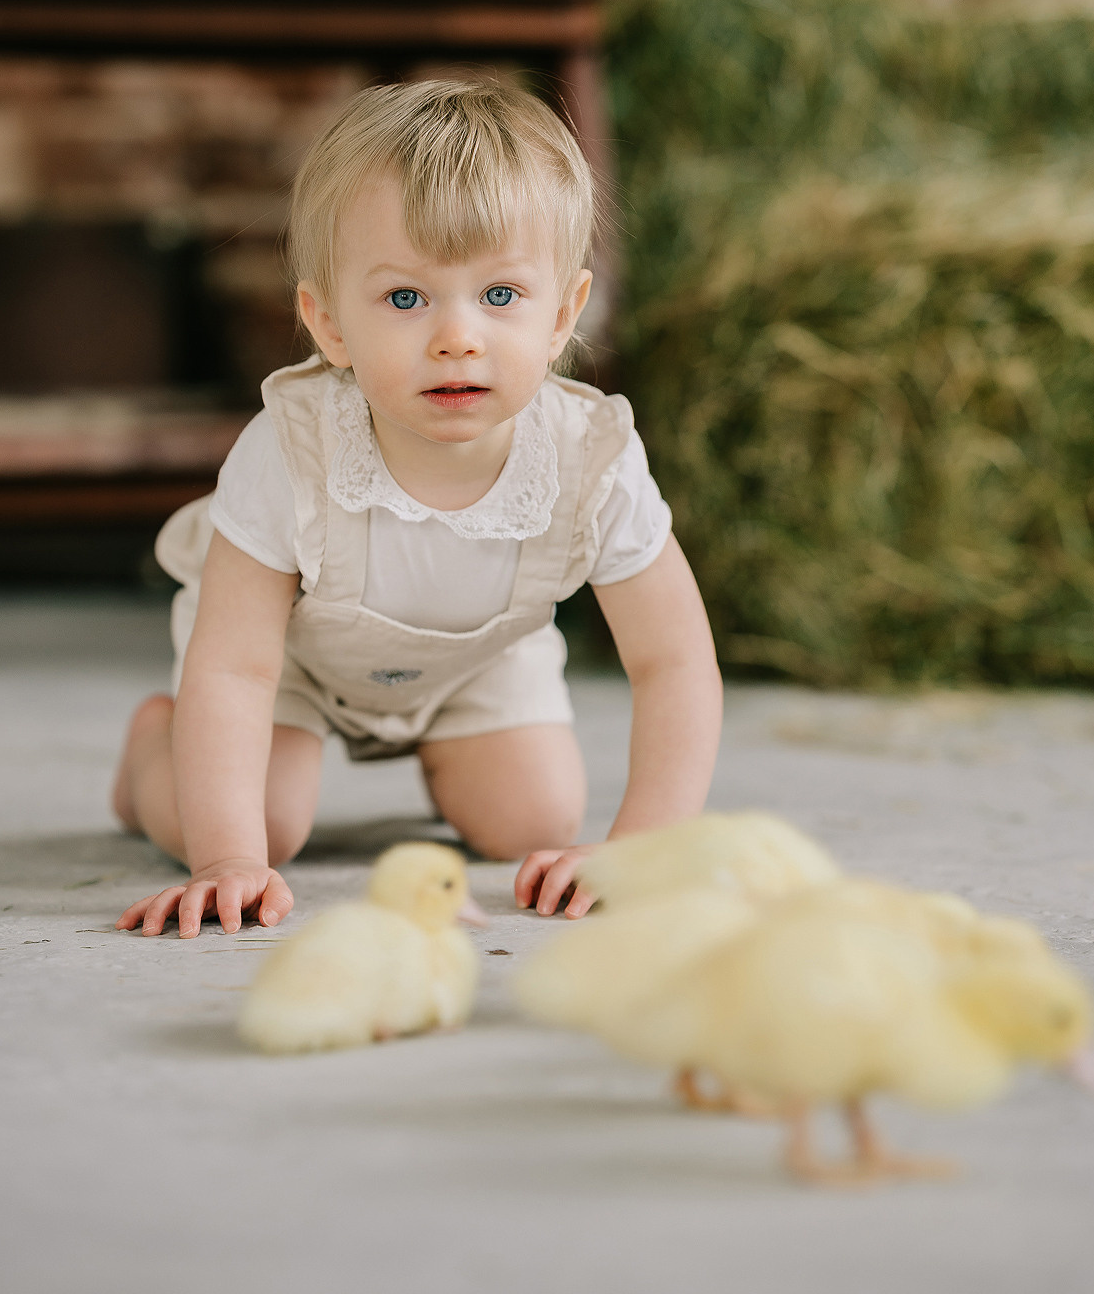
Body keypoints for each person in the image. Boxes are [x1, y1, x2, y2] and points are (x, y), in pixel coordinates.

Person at [113, 79, 722, 939]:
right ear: (328, 326)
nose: (458, 336)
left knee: (533, 822)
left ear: (564, 316)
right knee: (265, 827)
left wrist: (646, 846)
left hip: (475, 665)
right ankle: (152, 754)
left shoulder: (593, 461)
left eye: (501, 296)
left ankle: (447, 753)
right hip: (291, 665)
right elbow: (236, 668)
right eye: (405, 298)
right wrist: (225, 860)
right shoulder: (293, 451)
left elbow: (674, 661)